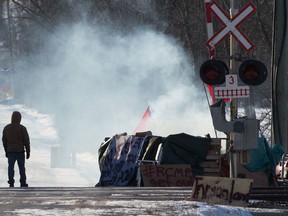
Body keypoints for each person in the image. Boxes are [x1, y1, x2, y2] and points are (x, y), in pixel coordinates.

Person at [2, 111, 30, 187]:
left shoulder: (6, 128)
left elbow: (4, 140)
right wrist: (28, 152)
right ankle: (23, 182)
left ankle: (11, 182)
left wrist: (6, 150)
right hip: (20, 151)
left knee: (11, 167)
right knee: (22, 168)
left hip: (10, 151)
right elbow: (26, 141)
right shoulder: (22, 128)